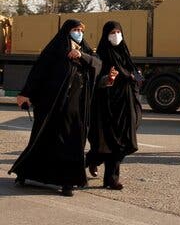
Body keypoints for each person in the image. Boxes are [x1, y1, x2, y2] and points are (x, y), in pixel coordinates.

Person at [9, 19, 102, 197]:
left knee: (72, 142)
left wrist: (81, 56)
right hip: (52, 105)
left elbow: (98, 64)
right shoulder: (56, 49)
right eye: (75, 29)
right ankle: (27, 173)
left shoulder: (85, 50)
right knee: (45, 139)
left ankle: (68, 181)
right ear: (67, 31)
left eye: (81, 30)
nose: (79, 33)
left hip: (76, 106)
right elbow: (38, 72)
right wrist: (25, 94)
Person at [86, 21, 142, 190]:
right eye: (112, 32)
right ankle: (110, 178)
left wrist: (136, 77)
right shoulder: (101, 56)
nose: (116, 36)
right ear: (106, 35)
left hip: (126, 104)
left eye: (118, 32)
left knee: (125, 142)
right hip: (107, 105)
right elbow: (95, 81)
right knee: (108, 143)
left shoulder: (124, 53)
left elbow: (133, 76)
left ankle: (94, 161)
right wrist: (107, 80)